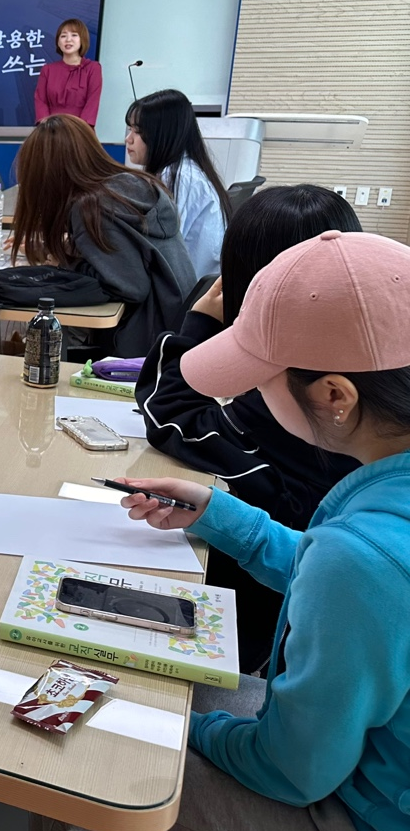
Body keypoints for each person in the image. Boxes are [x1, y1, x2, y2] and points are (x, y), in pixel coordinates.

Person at [35, 229, 410, 831]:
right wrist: (223, 515)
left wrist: (179, 724)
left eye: (260, 380)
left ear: (335, 396)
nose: (247, 396)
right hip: (374, 769)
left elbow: (293, 770)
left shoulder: (359, 558)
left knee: (74, 754)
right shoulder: (379, 525)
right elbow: (363, 591)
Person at [137, 184, 362, 670]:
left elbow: (172, 415)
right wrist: (214, 509)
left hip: (258, 632)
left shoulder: (303, 396)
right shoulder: (366, 382)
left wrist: (199, 325)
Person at [11, 115, 195, 356]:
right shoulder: (129, 184)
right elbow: (127, 257)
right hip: (172, 328)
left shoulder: (91, 207)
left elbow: (129, 286)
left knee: (37, 350)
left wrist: (66, 263)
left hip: (144, 345)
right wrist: (71, 249)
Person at [125, 89, 230, 280]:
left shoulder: (177, 177)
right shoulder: (186, 170)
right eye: (129, 129)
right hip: (192, 283)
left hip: (185, 288)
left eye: (137, 131)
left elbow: (163, 247)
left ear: (163, 134)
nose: (128, 139)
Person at [33, 19, 103, 126]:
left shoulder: (93, 68)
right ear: (58, 42)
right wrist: (47, 125)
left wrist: (80, 128)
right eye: (63, 36)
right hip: (50, 128)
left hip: (80, 129)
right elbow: (40, 100)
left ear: (82, 39)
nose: (68, 39)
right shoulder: (48, 69)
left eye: (74, 35)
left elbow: (92, 101)